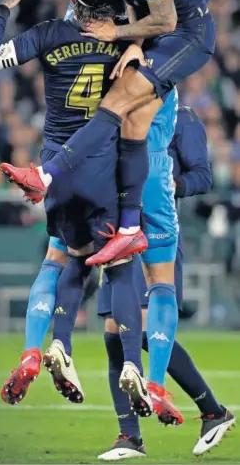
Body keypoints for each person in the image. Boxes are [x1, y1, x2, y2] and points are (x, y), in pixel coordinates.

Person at [0, 0, 215, 419]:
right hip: (141, 173)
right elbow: (163, 13)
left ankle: (55, 347)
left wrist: (126, 36)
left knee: (65, 258)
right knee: (144, 279)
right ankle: (156, 388)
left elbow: (163, 20)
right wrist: (134, 43)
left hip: (100, 163)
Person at [0, 0, 162, 412]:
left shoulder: (48, 34)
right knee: (119, 263)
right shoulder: (119, 38)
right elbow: (161, 43)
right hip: (103, 168)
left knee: (59, 256)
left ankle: (41, 346)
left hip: (55, 171)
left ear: (74, 0)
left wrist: (2, 9)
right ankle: (132, 368)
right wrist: (136, 40)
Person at [97, 107, 235, 460]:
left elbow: (202, 175)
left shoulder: (183, 118)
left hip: (157, 232)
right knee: (114, 334)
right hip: (117, 230)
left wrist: (171, 181)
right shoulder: (118, 111)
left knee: (140, 329)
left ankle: (212, 410)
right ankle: (130, 436)